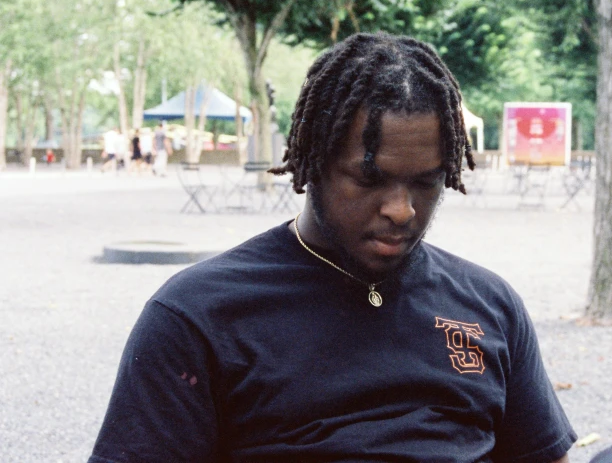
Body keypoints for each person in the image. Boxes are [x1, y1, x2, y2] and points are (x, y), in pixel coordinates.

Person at [89, 33, 576, 463]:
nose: (402, 210)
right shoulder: (197, 316)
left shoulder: (490, 305)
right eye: (371, 178)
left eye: (426, 183)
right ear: (313, 162)